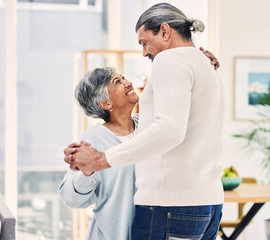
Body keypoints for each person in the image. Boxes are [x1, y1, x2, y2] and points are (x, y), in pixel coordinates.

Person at [64, 3, 224, 239]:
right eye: (117, 82)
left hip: (170, 207)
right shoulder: (203, 65)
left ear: (165, 31)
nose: (144, 52)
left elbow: (169, 129)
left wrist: (99, 160)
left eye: (144, 42)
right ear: (104, 103)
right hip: (208, 204)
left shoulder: (170, 60)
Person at [59, 67, 139, 240]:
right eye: (118, 82)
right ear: (106, 103)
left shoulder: (148, 126)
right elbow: (70, 197)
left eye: (123, 77)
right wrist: (87, 172)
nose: (129, 83)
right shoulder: (94, 139)